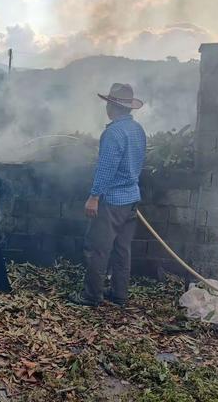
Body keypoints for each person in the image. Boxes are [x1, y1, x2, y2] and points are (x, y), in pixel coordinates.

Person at [69, 83, 146, 308]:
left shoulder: (113, 133)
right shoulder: (137, 130)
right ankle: (119, 294)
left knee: (97, 249)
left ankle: (91, 296)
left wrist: (94, 196)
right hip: (132, 199)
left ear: (112, 107)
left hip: (112, 202)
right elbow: (139, 163)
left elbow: (106, 168)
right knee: (123, 250)